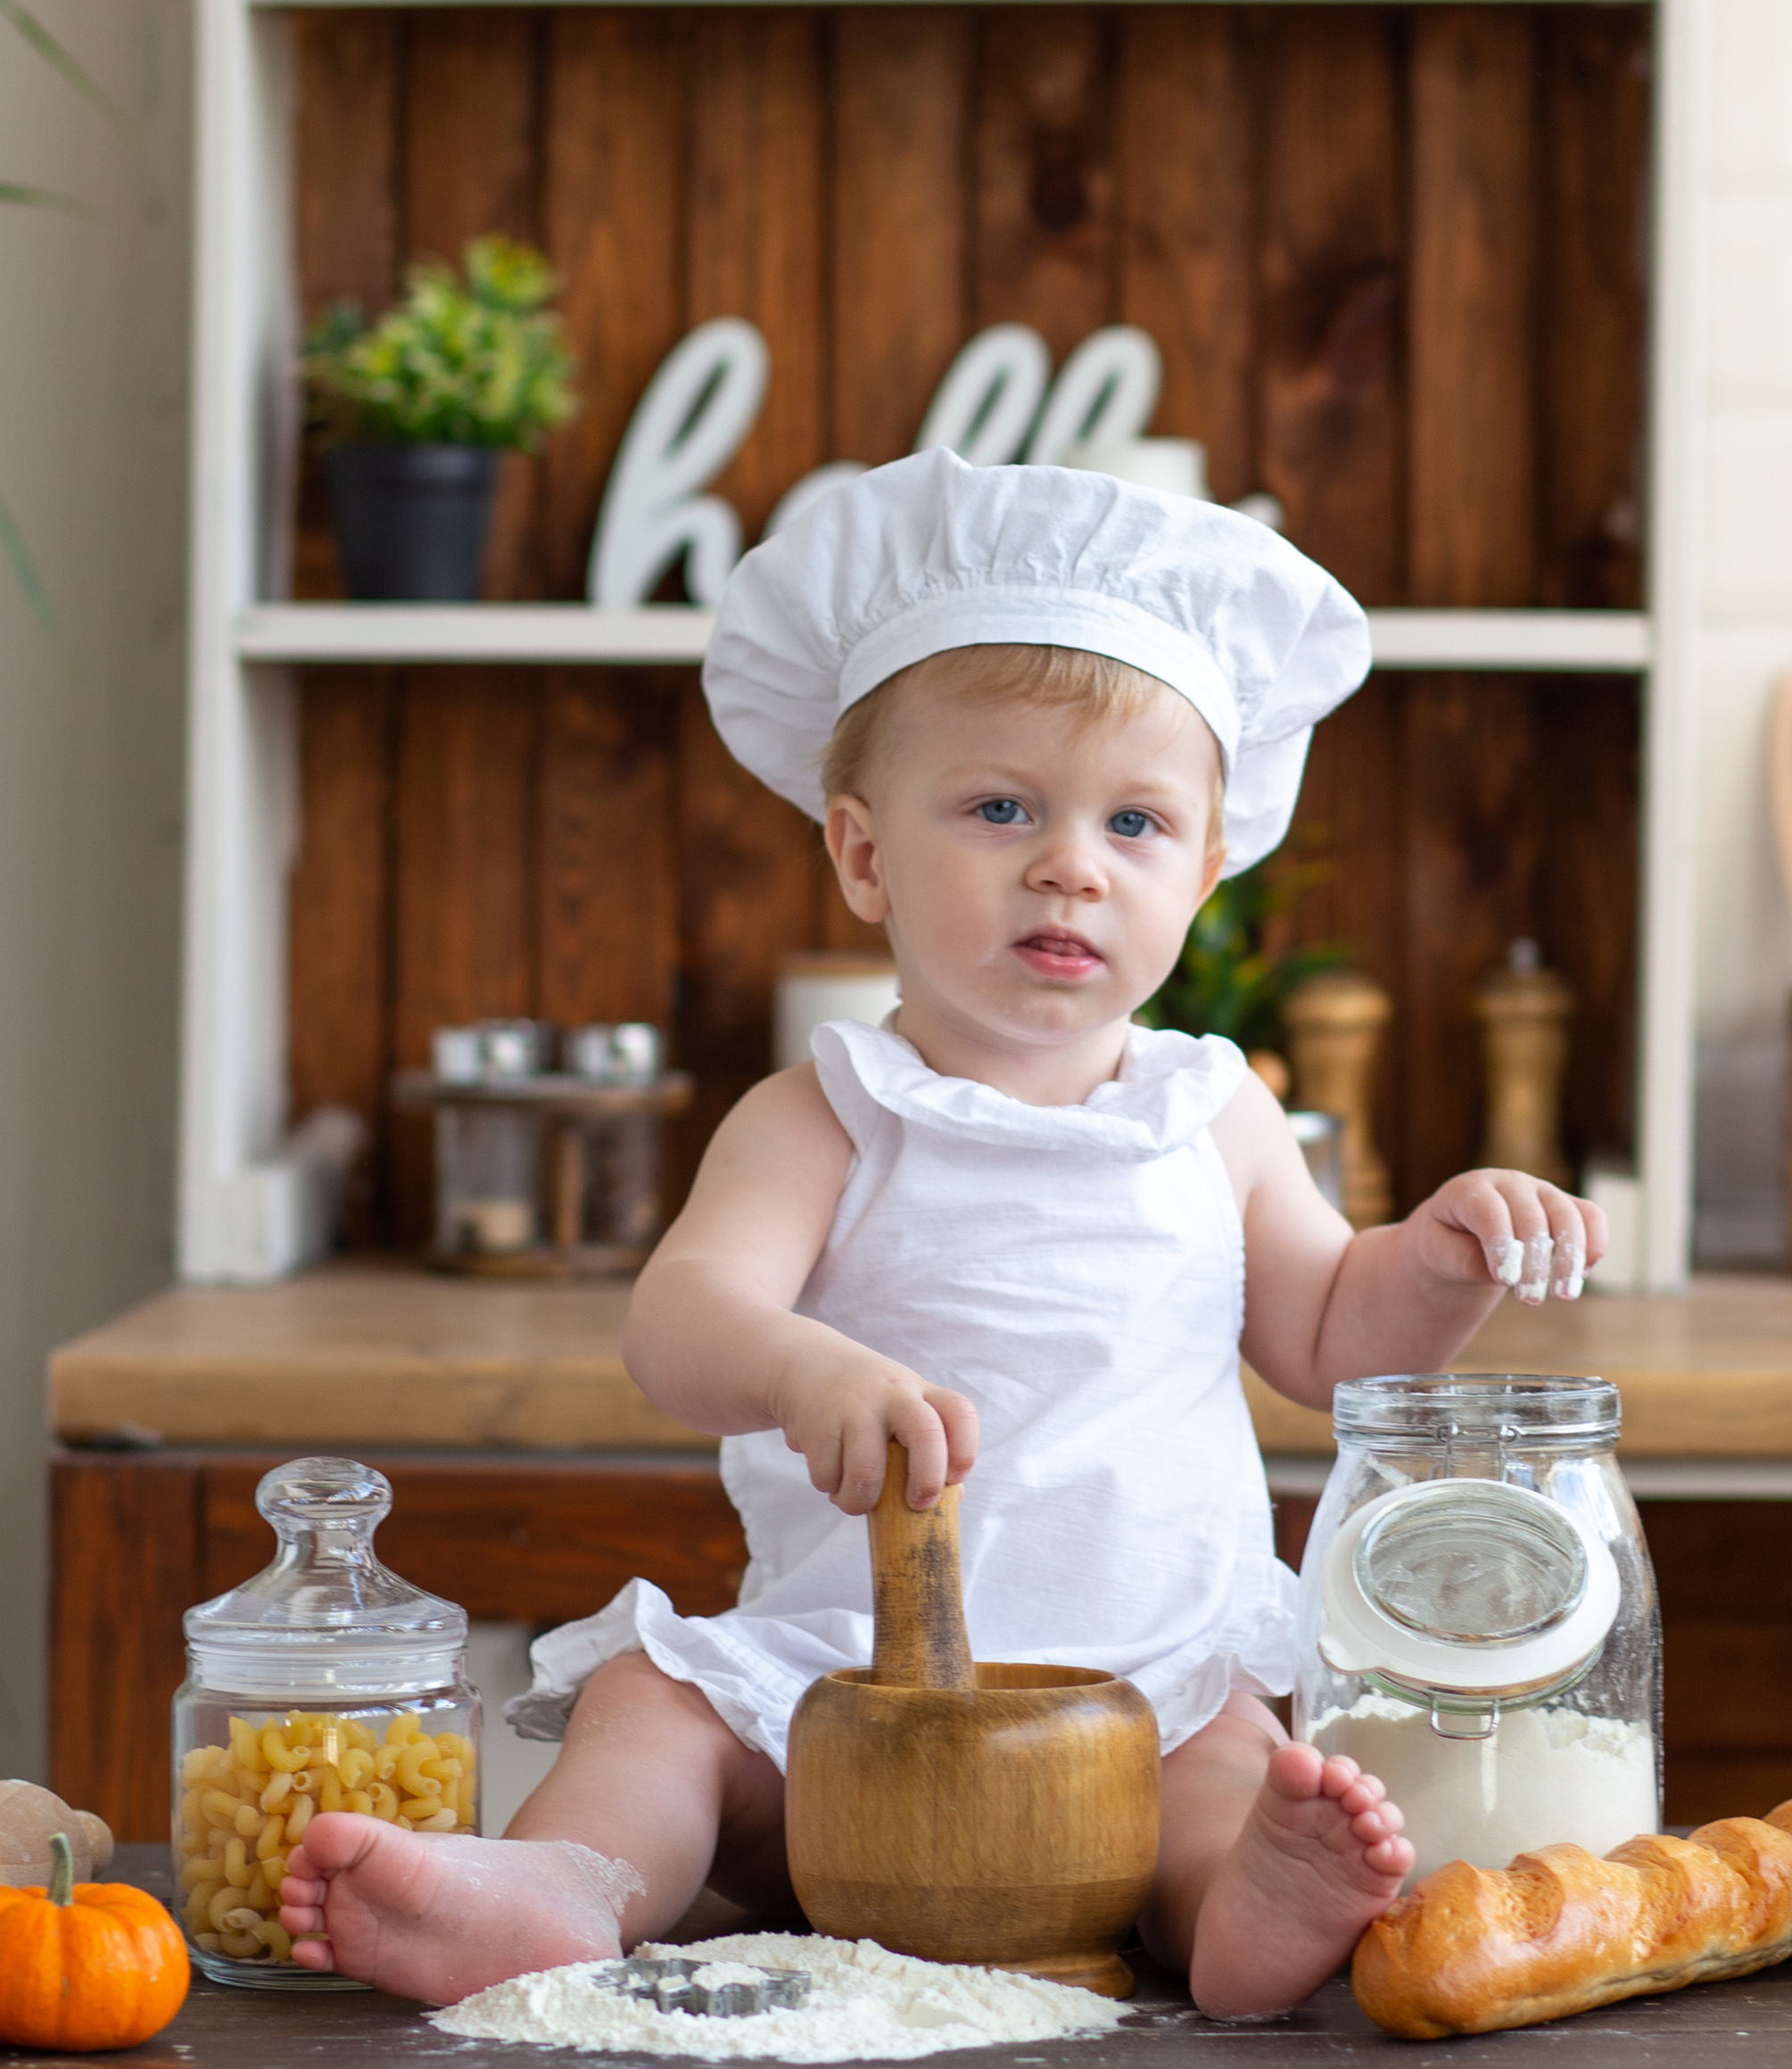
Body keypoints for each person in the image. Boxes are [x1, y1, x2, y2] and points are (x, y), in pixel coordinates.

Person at [278, 450, 1605, 2013]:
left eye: (1136, 823)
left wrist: (1435, 1258)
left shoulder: (1215, 1113)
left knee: (1233, 1768)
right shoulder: (825, 1114)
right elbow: (679, 1319)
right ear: (861, 853)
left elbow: (1328, 1341)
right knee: (659, 1709)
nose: (1071, 863)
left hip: (1143, 1689)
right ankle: (566, 1888)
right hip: (840, 1704)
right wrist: (800, 1368)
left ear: (1208, 871)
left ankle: (1242, 1907)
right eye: (998, 808)